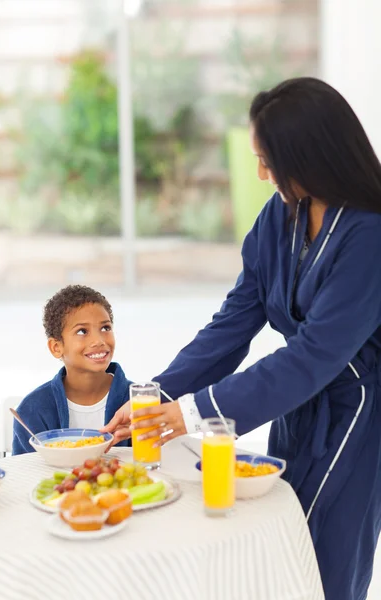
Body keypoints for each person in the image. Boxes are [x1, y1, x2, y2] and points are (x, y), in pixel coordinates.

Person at [102, 77, 381, 600]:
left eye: (269, 160)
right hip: (292, 404)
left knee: (328, 562)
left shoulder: (370, 235)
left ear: (311, 156)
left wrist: (192, 412)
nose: (261, 173)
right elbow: (235, 321)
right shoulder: (281, 215)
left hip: (356, 415)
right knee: (276, 546)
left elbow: (317, 354)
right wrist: (158, 395)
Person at [13, 285, 131, 455]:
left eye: (105, 328)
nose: (98, 340)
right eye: (82, 331)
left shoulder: (137, 403)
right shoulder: (32, 411)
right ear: (56, 347)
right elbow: (22, 472)